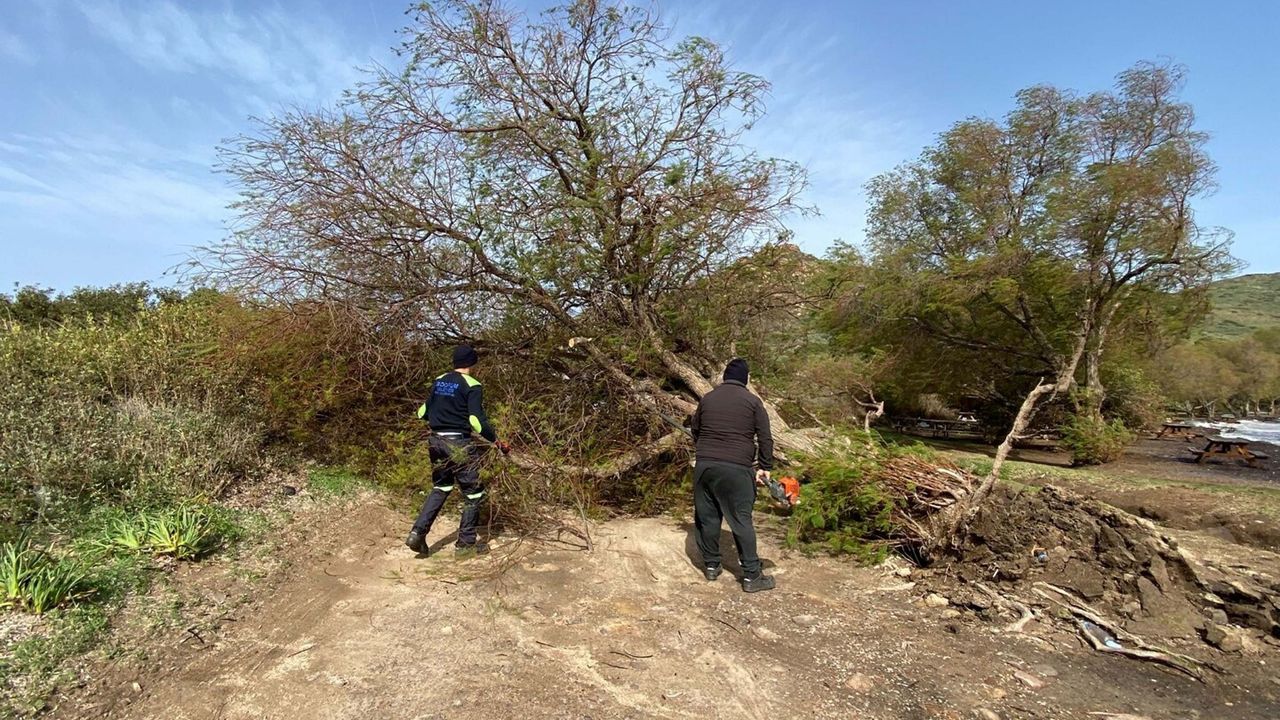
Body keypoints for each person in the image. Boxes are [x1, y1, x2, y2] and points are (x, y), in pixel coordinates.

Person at [405, 345, 509, 556]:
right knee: (474, 492)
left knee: (441, 486)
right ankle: (465, 545)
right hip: (458, 444)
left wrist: (443, 416)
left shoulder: (440, 380)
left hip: (435, 442)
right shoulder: (472, 385)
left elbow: (422, 412)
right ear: (472, 362)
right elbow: (476, 421)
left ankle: (417, 533)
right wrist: (497, 441)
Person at [690, 358, 776, 592]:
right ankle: (752, 576)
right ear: (745, 378)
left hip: (705, 467)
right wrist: (765, 466)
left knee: (707, 517)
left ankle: (711, 566)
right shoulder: (753, 402)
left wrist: (707, 450)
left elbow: (695, 429)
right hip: (737, 468)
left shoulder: (708, 398)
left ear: (725, 377)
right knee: (741, 520)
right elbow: (765, 438)